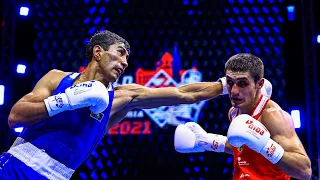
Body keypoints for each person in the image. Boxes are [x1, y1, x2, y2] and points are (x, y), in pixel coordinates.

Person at [0, 28, 271, 179]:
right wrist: (66, 100)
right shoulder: (57, 78)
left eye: (127, 57)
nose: (125, 63)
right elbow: (15, 116)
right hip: (17, 164)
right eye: (120, 54)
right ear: (98, 52)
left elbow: (182, 94)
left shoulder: (121, 97)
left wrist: (226, 85)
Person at [174, 53, 312, 180]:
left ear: (259, 84)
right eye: (230, 82)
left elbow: (304, 171)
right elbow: (244, 146)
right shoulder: (234, 112)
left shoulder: (273, 116)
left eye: (242, 83)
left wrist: (267, 145)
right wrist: (209, 141)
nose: (234, 91)